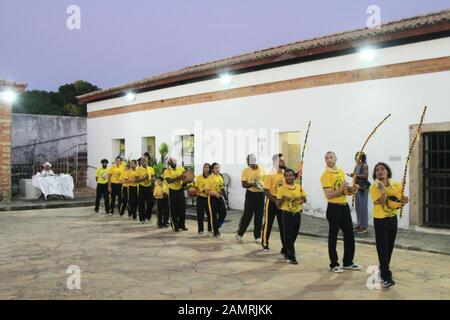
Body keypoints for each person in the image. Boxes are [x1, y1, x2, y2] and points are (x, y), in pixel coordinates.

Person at [320, 151, 362, 273]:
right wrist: (342, 189)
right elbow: (329, 195)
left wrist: (352, 190)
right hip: (333, 208)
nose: (328, 159)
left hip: (344, 207)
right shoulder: (325, 175)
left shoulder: (341, 172)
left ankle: (348, 262)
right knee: (333, 236)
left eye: (331, 157)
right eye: (326, 158)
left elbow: (345, 192)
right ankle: (334, 264)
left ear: (335, 158)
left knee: (349, 235)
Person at [370, 162, 409, 288]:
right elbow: (381, 202)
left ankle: (383, 271)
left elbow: (397, 200)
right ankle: (386, 277)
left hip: (392, 220)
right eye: (377, 170)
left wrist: (404, 201)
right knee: (382, 249)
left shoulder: (396, 184)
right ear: (375, 174)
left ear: (387, 172)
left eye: (382, 169)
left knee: (389, 248)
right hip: (380, 221)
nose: (380, 172)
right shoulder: (374, 187)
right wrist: (383, 191)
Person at [276, 169, 307, 265]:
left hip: (297, 213)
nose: (289, 177)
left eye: (291, 175)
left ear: (294, 176)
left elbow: (304, 199)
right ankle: (291, 255)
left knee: (295, 233)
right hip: (287, 214)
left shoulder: (299, 187)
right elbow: (278, 205)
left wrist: (301, 199)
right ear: (285, 177)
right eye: (287, 176)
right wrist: (283, 199)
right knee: (288, 234)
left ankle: (285, 248)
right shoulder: (281, 189)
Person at [236, 154, 265, 244]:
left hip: (260, 194)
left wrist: (262, 187)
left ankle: (257, 236)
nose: (251, 162)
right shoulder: (245, 171)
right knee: (247, 215)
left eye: (253, 160)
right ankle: (240, 233)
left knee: (259, 216)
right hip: (250, 194)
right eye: (249, 161)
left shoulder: (262, 169)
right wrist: (253, 184)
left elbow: (266, 182)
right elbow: (244, 184)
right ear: (248, 162)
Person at [261, 154, 286, 254]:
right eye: (281, 161)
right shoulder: (270, 174)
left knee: (283, 225)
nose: (283, 162)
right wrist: (275, 201)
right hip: (271, 201)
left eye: (283, 160)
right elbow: (265, 191)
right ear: (275, 162)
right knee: (268, 223)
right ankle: (265, 243)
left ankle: (285, 246)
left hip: (282, 202)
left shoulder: (285, 174)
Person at [348, 152, 370, 234]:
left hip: (363, 188)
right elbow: (356, 175)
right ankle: (359, 225)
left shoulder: (364, 165)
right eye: (356, 156)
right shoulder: (357, 165)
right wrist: (352, 175)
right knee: (358, 207)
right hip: (356, 187)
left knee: (363, 208)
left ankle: (364, 227)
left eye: (358, 157)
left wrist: (355, 175)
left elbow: (365, 176)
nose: (357, 158)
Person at [164, 157, 187, 232]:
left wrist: (187, 181)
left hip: (180, 190)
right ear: (169, 163)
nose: (171, 162)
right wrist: (179, 177)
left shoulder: (181, 169)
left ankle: (182, 225)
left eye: (173, 161)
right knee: (173, 209)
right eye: (170, 161)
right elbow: (169, 181)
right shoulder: (167, 171)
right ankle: (175, 226)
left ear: (176, 161)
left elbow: (185, 179)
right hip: (172, 191)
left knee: (182, 209)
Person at [205, 162, 227, 238]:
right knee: (213, 216)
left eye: (218, 168)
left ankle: (215, 227)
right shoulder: (209, 178)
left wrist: (225, 196)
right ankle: (215, 232)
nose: (218, 169)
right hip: (212, 198)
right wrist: (214, 193)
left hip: (219, 198)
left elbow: (221, 188)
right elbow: (206, 191)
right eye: (216, 168)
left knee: (223, 213)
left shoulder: (220, 177)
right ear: (212, 169)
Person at [135, 156, 155, 224]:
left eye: (145, 160)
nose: (144, 161)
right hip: (141, 187)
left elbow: (153, 177)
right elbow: (136, 180)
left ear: (148, 161)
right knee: (141, 204)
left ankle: (148, 216)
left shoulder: (151, 168)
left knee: (151, 203)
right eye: (143, 160)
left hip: (149, 187)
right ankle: (142, 219)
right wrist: (143, 179)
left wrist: (153, 180)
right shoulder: (138, 169)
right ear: (141, 161)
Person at [195, 163, 212, 235]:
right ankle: (200, 230)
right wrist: (202, 191)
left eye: (207, 167)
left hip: (209, 198)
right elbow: (196, 188)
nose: (206, 169)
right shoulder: (199, 177)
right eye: (204, 167)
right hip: (200, 197)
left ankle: (210, 229)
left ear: (210, 169)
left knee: (210, 214)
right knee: (200, 214)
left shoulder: (211, 177)